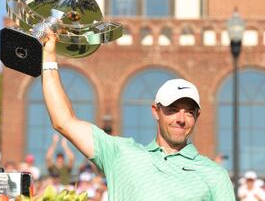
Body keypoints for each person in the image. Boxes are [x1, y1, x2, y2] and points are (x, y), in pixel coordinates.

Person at [40, 29, 235, 200]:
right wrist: (49, 56)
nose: (181, 119)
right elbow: (63, 121)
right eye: (172, 110)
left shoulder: (214, 175)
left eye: (189, 112)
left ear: (197, 116)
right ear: (155, 111)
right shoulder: (121, 154)